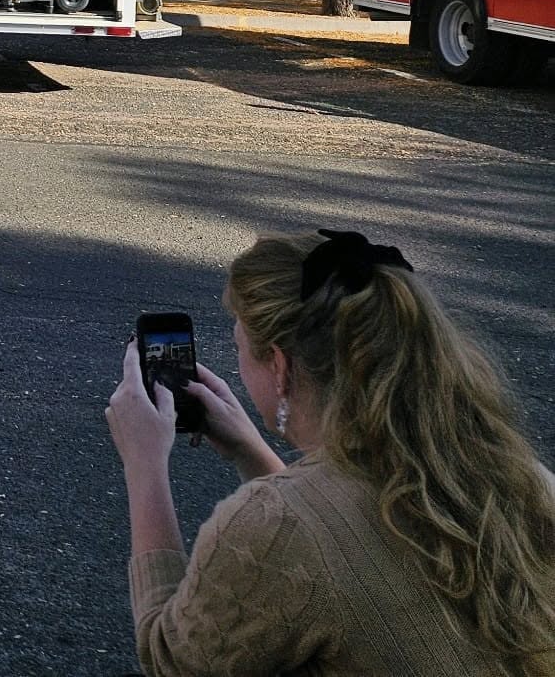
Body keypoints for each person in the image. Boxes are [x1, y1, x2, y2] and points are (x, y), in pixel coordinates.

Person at [106, 229, 555, 677]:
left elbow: (173, 661)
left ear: (279, 367)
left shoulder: (271, 524)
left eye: (239, 347)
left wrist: (145, 467)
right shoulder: (525, 478)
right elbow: (343, 543)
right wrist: (252, 453)